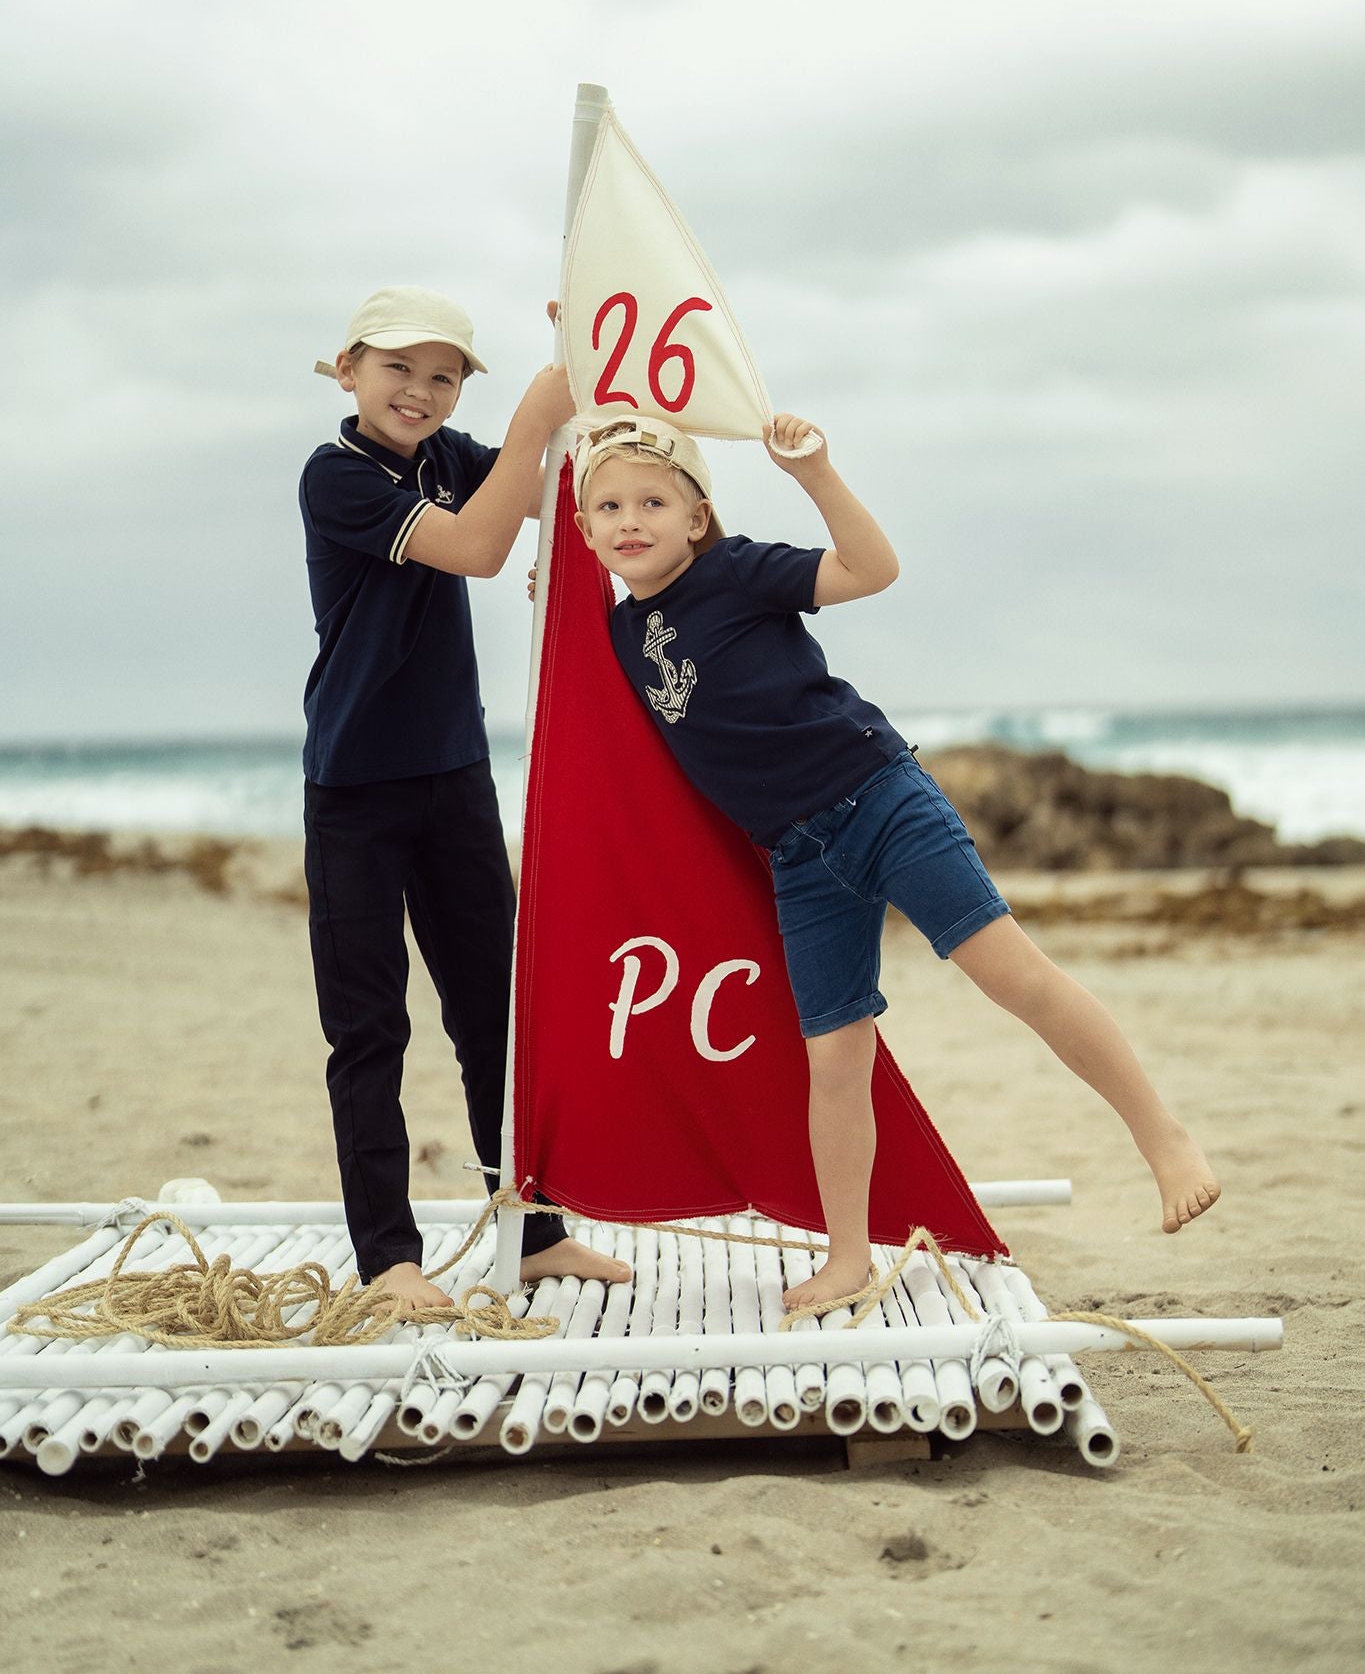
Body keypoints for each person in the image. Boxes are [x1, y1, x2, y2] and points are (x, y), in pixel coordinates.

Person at [571, 411, 1221, 1313]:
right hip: (797, 859)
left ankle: (1164, 1139)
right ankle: (846, 1256)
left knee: (1014, 978)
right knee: (835, 1057)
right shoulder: (613, 633)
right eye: (607, 506)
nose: (629, 519)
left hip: (879, 799)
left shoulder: (736, 569)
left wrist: (816, 473)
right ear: (582, 527)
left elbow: (871, 571)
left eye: (652, 500)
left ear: (697, 517)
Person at [300, 286, 630, 1309]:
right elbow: (478, 546)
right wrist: (537, 412)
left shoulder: (448, 458)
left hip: (452, 775)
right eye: (400, 367)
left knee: (497, 1009)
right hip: (353, 787)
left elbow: (560, 492)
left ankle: (530, 1226)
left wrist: (580, 367)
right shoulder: (334, 477)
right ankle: (389, 1257)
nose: (421, 390)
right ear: (350, 368)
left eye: (443, 375)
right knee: (371, 1030)